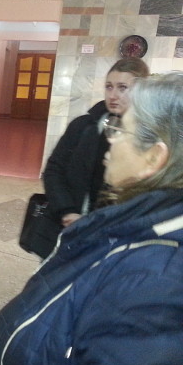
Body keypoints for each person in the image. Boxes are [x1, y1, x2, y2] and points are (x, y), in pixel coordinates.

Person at [0, 71, 183, 365]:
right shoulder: (139, 229)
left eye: (122, 130)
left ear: (154, 158)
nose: (111, 138)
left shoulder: (158, 278)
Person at [43, 58, 150, 255]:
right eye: (109, 87)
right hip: (69, 227)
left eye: (123, 88)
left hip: (115, 238)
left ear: (142, 91)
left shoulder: (148, 137)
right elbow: (53, 169)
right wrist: (67, 211)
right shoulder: (83, 125)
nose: (113, 95)